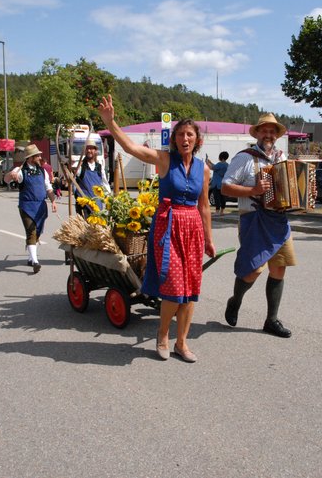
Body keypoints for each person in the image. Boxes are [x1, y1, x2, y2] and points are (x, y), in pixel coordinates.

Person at [99, 94, 215, 362]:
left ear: (198, 140)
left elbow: (205, 206)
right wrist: (111, 123)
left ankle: (182, 343)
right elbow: (130, 148)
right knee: (175, 288)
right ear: (174, 139)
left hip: (193, 230)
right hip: (168, 228)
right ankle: (163, 334)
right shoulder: (164, 160)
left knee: (191, 291)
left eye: (190, 135)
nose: (185, 139)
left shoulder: (204, 170)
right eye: (181, 135)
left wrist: (209, 239)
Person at [220, 113, 295, 338]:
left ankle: (271, 320)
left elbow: (290, 186)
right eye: (265, 131)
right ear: (258, 133)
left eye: (273, 131)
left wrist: (302, 195)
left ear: (277, 135)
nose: (269, 135)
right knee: (253, 270)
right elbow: (225, 187)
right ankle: (235, 300)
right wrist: (254, 190)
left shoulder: (282, 158)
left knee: (279, 268)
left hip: (279, 220)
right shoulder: (244, 158)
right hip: (253, 219)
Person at [4, 144, 58, 274]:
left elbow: (48, 188)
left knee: (38, 232)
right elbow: (6, 180)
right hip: (27, 206)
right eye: (37, 155)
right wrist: (11, 174)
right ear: (30, 158)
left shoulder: (42, 171)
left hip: (40, 206)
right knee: (31, 231)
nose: (40, 157)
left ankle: (30, 257)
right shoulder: (21, 170)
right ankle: (35, 261)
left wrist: (53, 201)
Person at [74, 138, 111, 217]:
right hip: (84, 205)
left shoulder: (99, 167)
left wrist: (109, 199)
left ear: (95, 151)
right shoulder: (80, 166)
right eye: (87, 148)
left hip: (97, 205)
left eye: (91, 148)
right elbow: (73, 180)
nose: (89, 151)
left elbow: (105, 184)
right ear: (85, 151)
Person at [206, 151, 229, 215]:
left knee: (217, 198)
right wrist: (210, 162)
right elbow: (215, 166)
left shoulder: (220, 164)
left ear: (221, 157)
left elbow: (212, 167)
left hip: (216, 184)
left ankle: (217, 211)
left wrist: (207, 162)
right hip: (223, 184)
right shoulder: (227, 165)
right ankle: (222, 211)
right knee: (223, 198)